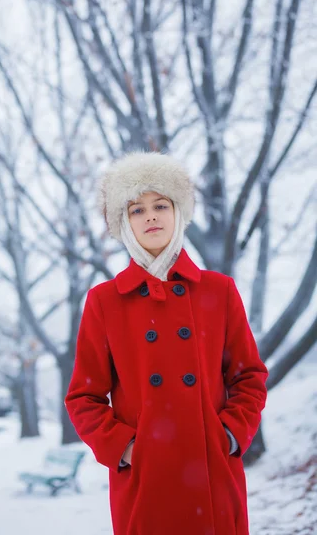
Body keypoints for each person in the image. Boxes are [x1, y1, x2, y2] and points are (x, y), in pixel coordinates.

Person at [64, 150, 268, 535]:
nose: (151, 216)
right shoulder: (105, 301)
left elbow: (249, 377)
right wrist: (125, 450)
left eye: (160, 204)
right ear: (123, 222)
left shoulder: (218, 290)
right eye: (137, 209)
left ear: (179, 212)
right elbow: (83, 398)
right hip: (145, 481)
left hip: (212, 475)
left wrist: (228, 435)